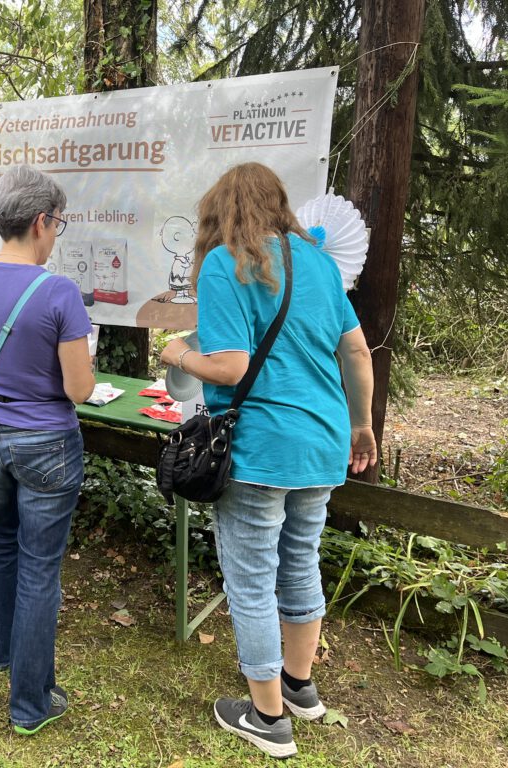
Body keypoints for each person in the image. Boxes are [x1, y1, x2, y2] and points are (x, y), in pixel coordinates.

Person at [160, 162, 377, 759]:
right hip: (322, 443)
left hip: (259, 449)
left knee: (252, 582)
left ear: (220, 212)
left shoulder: (224, 264)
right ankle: (300, 687)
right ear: (279, 205)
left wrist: (177, 351)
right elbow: (356, 352)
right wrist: (361, 423)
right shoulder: (317, 264)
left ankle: (267, 717)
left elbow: (228, 366)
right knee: (300, 561)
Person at [0, 165, 96, 735]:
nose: (56, 233)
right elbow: (80, 389)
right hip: (46, 444)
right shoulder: (57, 291)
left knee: (0, 540)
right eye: (57, 222)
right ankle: (30, 703)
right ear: (40, 222)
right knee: (40, 566)